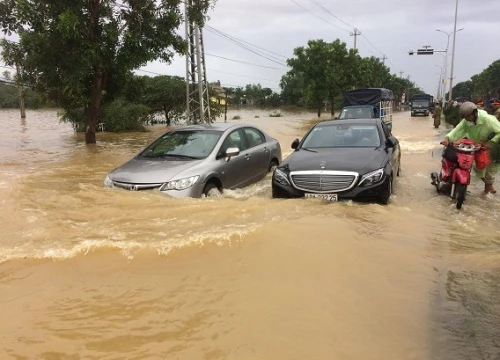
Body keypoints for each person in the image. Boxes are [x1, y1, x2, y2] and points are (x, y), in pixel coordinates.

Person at [441, 101, 500, 194]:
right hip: (476, 145)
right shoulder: (466, 121)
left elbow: (499, 131)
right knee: (477, 166)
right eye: (464, 117)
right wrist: (447, 138)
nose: (466, 119)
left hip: (492, 146)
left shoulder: (489, 120)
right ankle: (484, 182)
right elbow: (457, 130)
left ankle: (488, 186)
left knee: (492, 166)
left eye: (468, 116)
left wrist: (492, 142)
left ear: (475, 113)